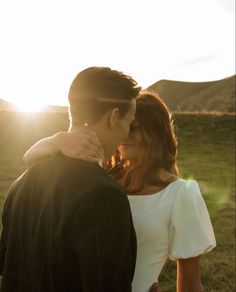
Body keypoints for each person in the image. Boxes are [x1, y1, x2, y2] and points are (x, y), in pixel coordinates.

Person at [23, 91, 216, 292]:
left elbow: (190, 283)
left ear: (156, 131)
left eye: (134, 128)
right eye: (122, 126)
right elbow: (29, 159)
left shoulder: (180, 194)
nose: (124, 135)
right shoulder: (100, 177)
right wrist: (58, 140)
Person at [0, 66, 142, 292]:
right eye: (129, 121)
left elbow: (7, 262)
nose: (126, 133)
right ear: (114, 117)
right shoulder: (103, 196)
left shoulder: (23, 182)